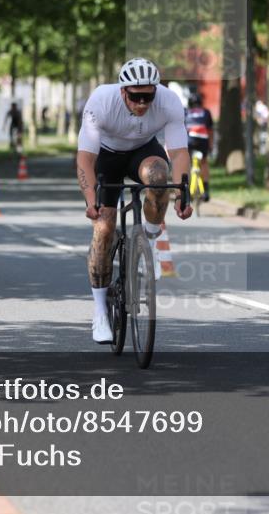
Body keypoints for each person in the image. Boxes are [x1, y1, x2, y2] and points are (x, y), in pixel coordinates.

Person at [76, 57, 193, 344]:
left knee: (158, 175)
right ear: (122, 91)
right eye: (136, 97)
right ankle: (100, 311)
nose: (142, 104)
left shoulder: (169, 102)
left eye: (147, 97)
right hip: (106, 155)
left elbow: (178, 153)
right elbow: (85, 159)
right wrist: (91, 199)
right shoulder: (101, 101)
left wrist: (183, 194)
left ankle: (149, 241)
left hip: (143, 151)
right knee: (103, 229)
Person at [185, 92, 214, 202]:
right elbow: (210, 131)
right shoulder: (206, 112)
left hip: (189, 140)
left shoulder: (185, 112)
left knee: (186, 163)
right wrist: (210, 145)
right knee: (204, 162)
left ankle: (186, 189)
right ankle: (206, 190)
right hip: (203, 140)